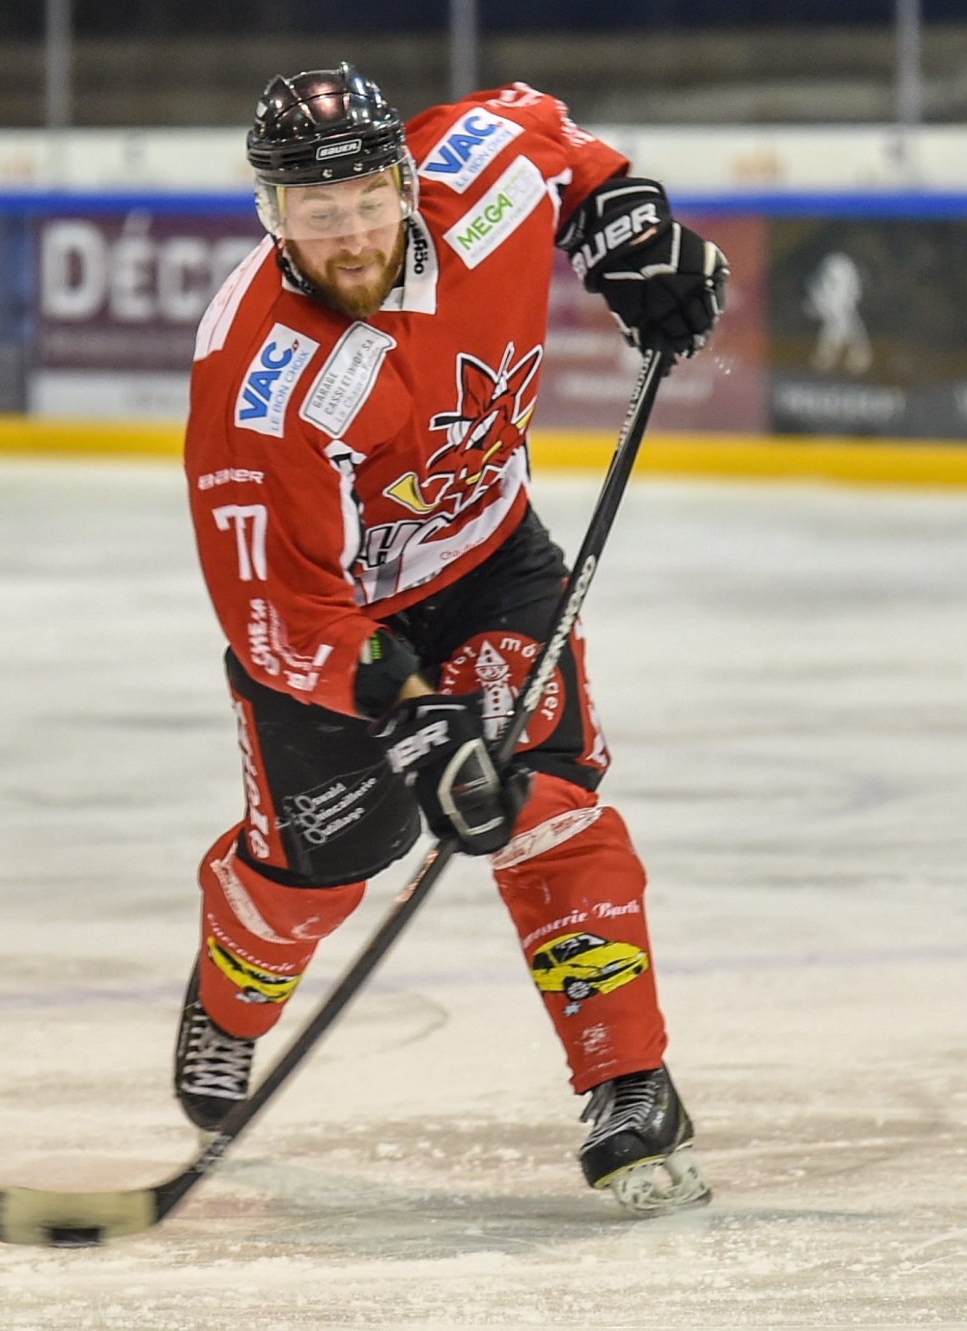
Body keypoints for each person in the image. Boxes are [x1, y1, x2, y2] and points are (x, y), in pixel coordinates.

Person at [174, 64, 727, 1215]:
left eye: (368, 198)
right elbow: (276, 616)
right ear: (270, 213)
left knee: (545, 798)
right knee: (323, 864)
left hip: (488, 563)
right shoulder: (259, 381)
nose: (351, 234)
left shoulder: (477, 172)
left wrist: (634, 228)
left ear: (404, 179)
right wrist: (414, 714)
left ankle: (629, 1083)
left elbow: (561, 143)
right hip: (346, 631)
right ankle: (229, 998)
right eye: (315, 213)